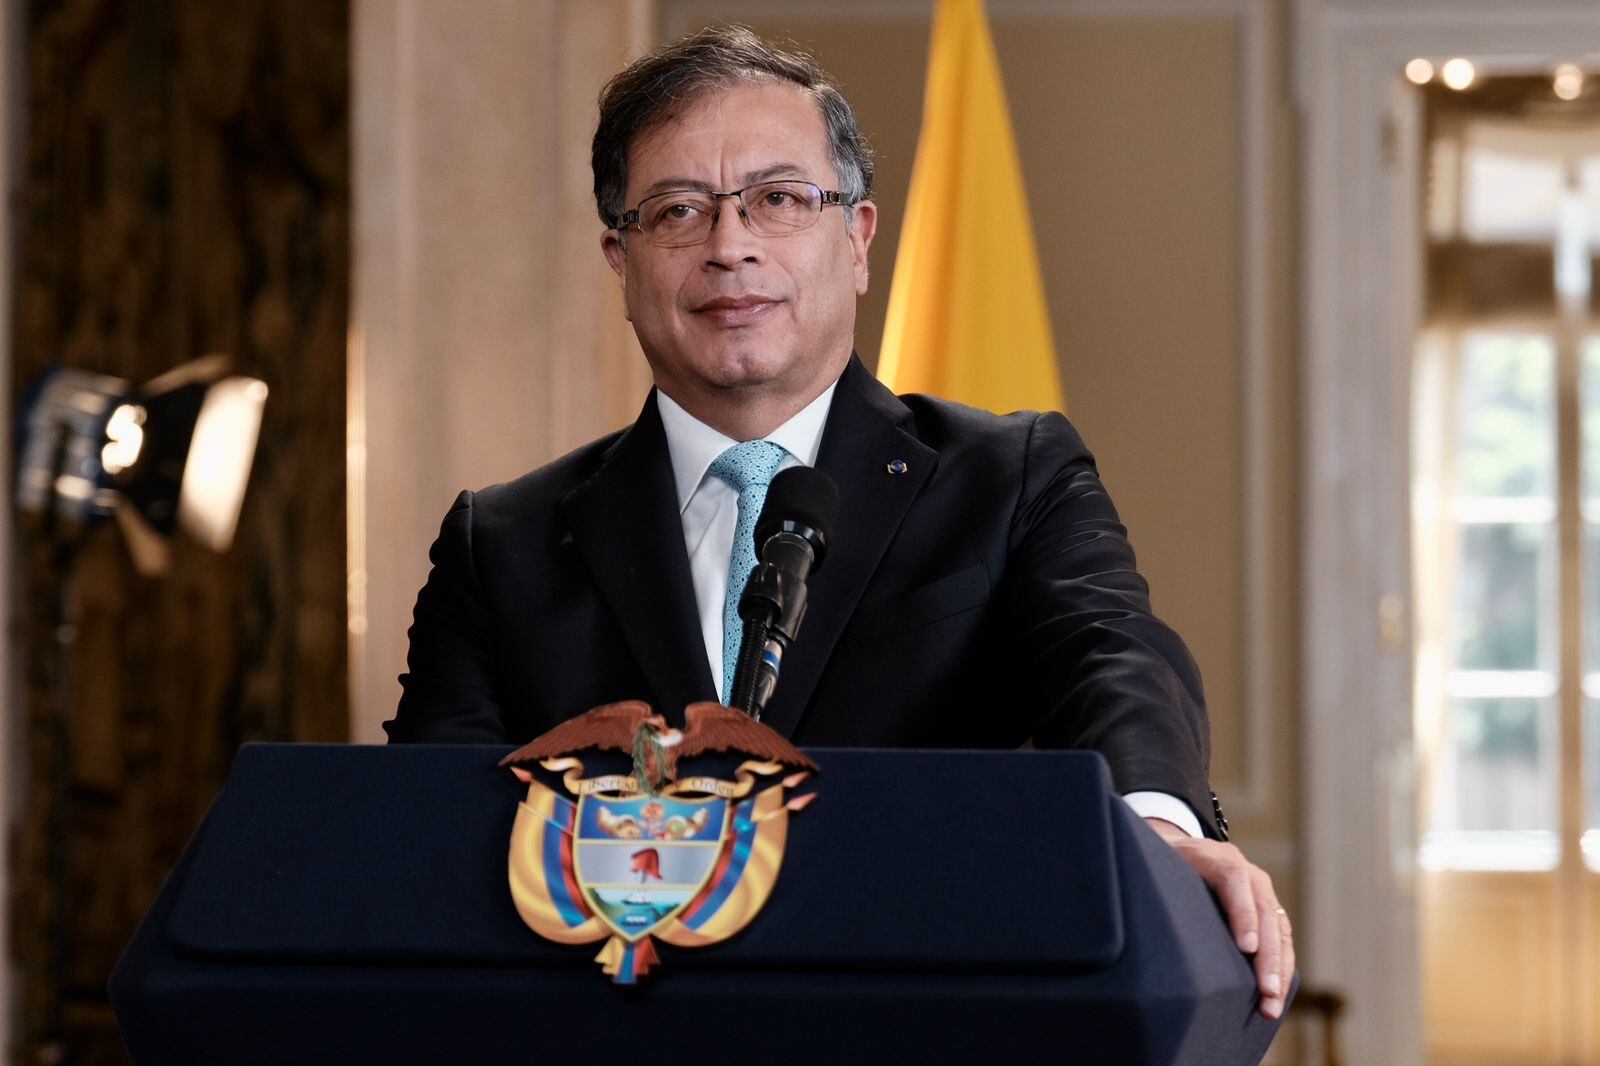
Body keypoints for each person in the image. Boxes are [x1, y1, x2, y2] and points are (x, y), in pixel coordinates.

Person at [385, 25, 1293, 1020]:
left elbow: (1110, 656)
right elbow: (427, 837)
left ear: (857, 239)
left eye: (778, 199)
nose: (730, 246)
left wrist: (1153, 835)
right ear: (621, 259)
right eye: (679, 210)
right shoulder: (500, 543)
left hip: (935, 1014)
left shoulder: (1010, 478)